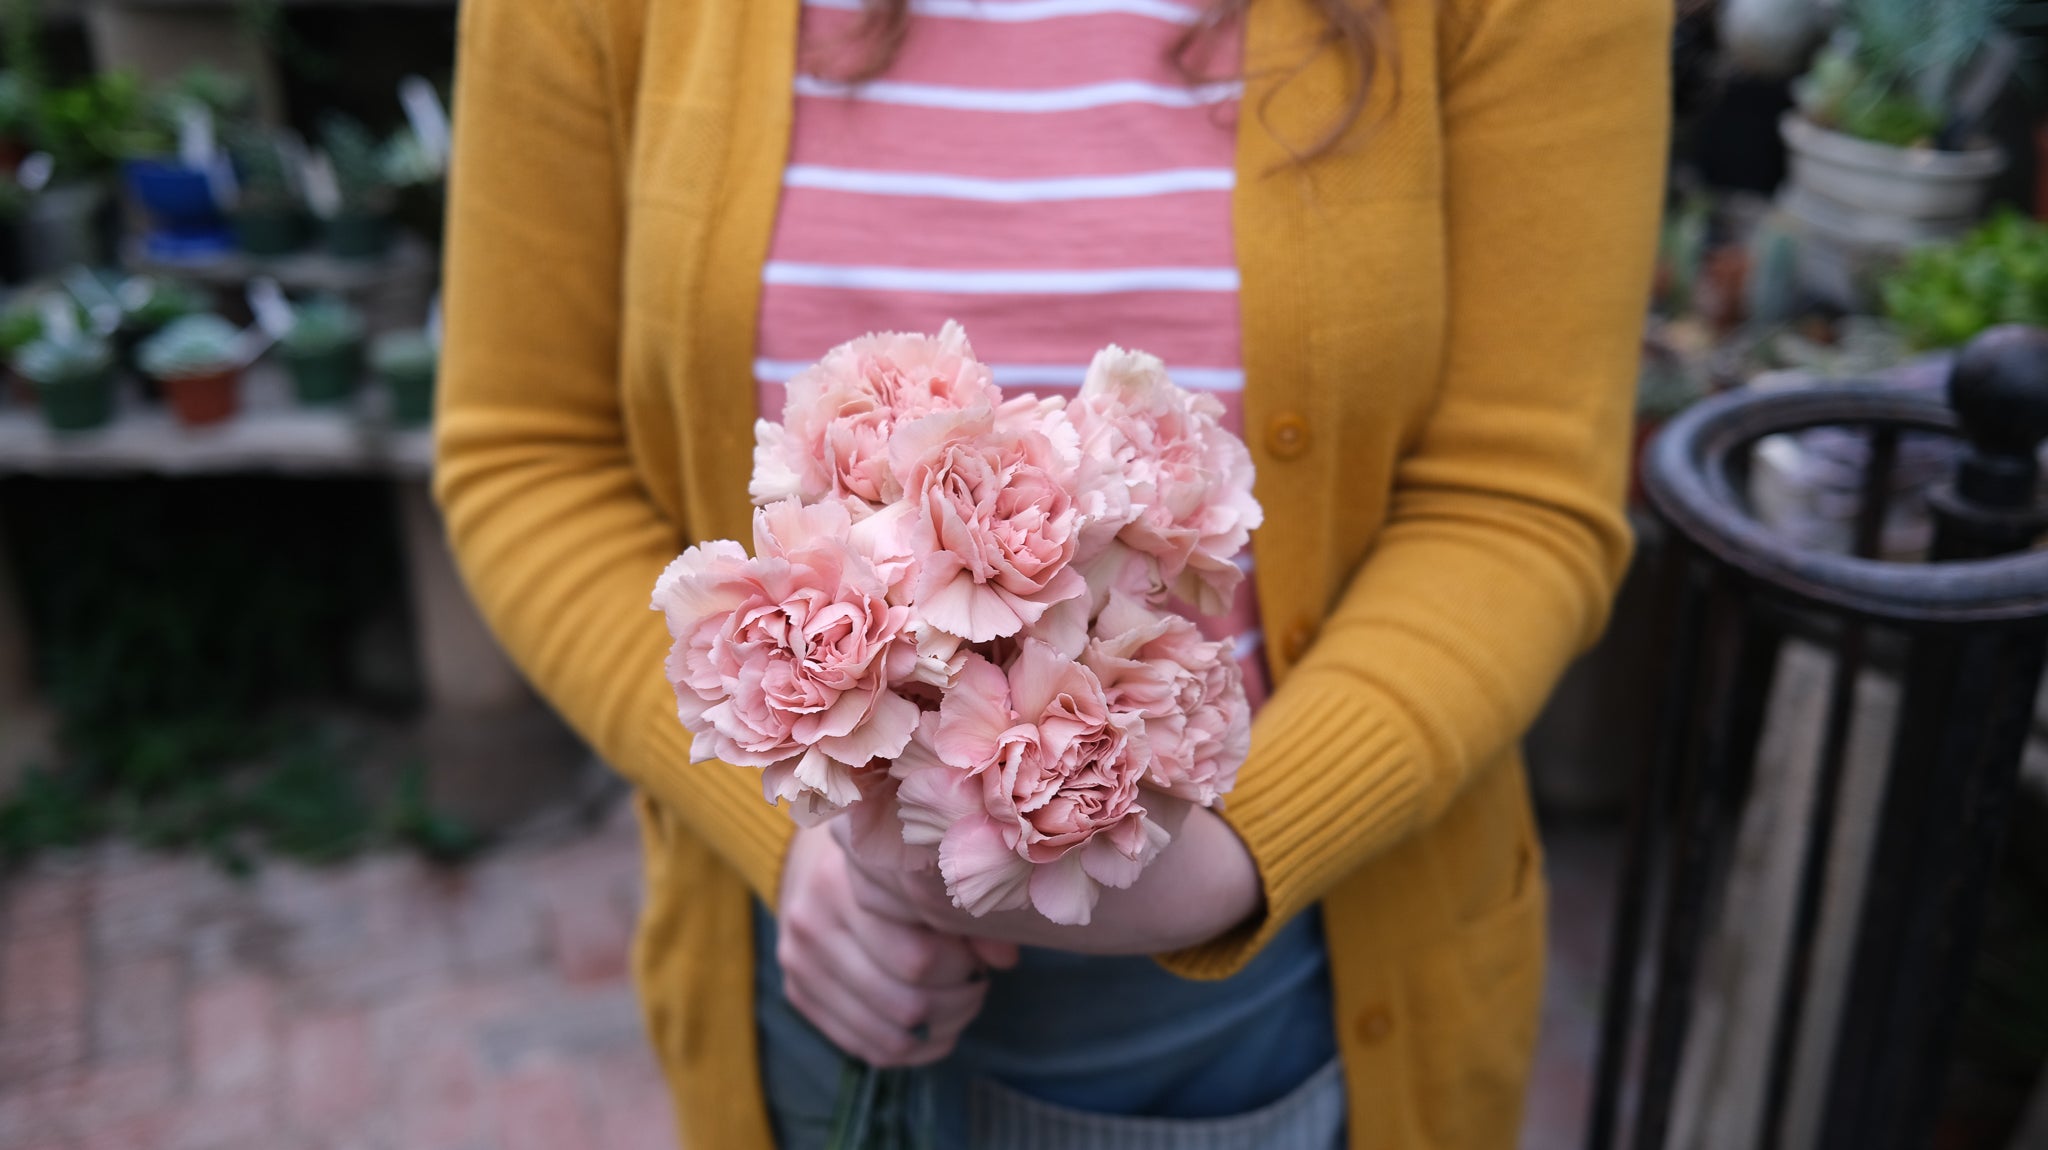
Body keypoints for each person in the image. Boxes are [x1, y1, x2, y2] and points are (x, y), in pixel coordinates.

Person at [435, 0, 1669, 1146]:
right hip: (823, 965)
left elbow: (1515, 497)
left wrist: (1240, 852)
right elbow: (528, 452)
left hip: (1270, 984)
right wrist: (791, 827)